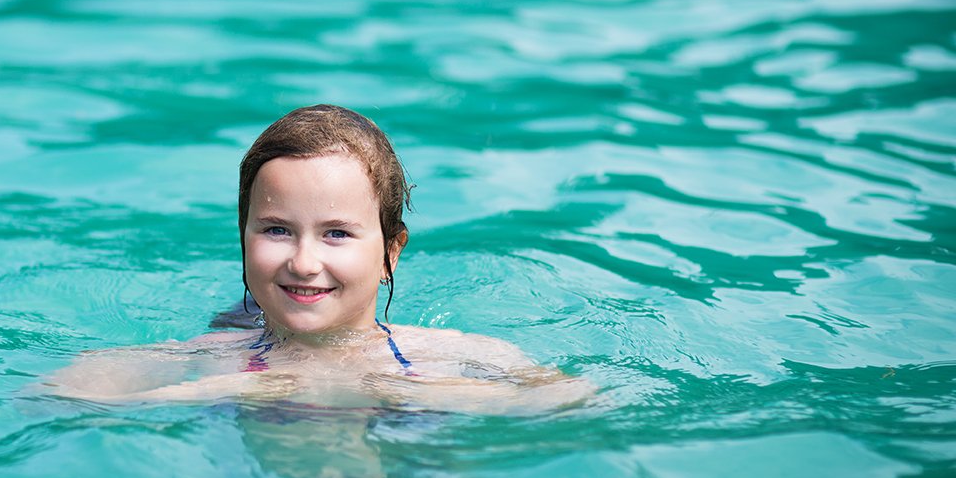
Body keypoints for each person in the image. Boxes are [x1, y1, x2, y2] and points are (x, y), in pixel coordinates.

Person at [44, 105, 592, 414]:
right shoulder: (216, 360)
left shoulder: (444, 357)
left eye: (336, 234)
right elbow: (52, 398)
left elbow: (576, 401)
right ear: (243, 239)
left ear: (391, 252)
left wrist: (446, 393)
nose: (304, 262)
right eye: (277, 230)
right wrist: (215, 390)